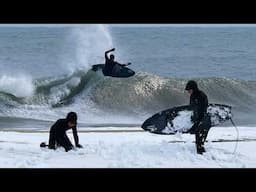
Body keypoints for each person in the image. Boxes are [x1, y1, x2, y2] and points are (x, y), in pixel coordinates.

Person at [185, 80, 211, 155]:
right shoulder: (194, 96)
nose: (188, 92)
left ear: (193, 89)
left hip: (203, 120)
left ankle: (202, 159)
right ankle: (202, 155)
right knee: (200, 143)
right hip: (203, 120)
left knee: (199, 143)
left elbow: (201, 112)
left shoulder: (200, 96)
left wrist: (195, 126)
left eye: (189, 90)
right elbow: (193, 110)